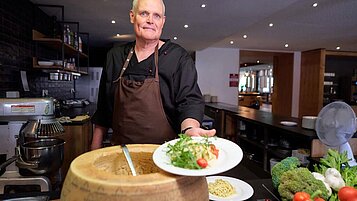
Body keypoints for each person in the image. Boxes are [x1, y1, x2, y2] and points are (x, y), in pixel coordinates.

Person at [90, 0, 215, 150]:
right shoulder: (115, 56)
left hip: (166, 155)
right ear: (132, 16)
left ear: (163, 21)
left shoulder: (178, 58)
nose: (150, 20)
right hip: (121, 152)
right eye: (144, 14)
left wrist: (189, 130)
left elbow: (190, 101)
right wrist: (94, 148)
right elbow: (104, 109)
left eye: (157, 16)